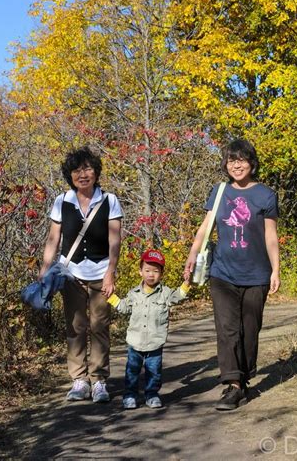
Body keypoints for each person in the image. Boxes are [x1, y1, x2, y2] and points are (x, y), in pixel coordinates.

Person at [183, 138, 280, 411]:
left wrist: (276, 269)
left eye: (242, 159)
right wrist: (192, 254)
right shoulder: (219, 191)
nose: (236, 165)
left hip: (257, 274)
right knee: (227, 329)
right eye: (231, 160)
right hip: (222, 272)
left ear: (252, 162)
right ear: (225, 164)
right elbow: (205, 228)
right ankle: (233, 384)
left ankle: (245, 375)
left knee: (249, 330)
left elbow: (271, 236)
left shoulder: (266, 195)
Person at [39, 146, 123, 403]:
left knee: (100, 326)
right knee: (75, 326)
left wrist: (111, 273)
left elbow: (115, 240)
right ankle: (79, 380)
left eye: (87, 168)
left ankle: (99, 381)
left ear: (96, 172)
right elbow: (54, 238)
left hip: (101, 272)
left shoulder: (109, 200)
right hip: (71, 273)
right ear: (70, 175)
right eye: (77, 170)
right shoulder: (61, 201)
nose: (82, 174)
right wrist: (44, 268)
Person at [107, 248, 190, 409]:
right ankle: (130, 395)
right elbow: (124, 307)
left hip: (155, 342)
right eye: (147, 270)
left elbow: (178, 296)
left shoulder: (165, 293)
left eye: (155, 271)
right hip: (135, 341)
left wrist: (187, 284)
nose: (151, 274)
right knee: (132, 371)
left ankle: (152, 394)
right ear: (140, 272)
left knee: (154, 371)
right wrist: (110, 297)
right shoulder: (134, 294)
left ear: (162, 273)